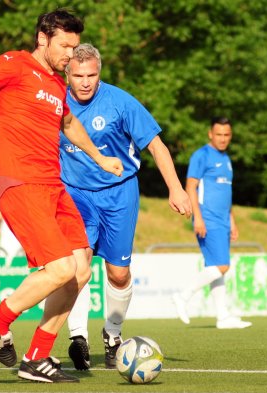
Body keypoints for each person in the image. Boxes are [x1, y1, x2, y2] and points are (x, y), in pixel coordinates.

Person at [0, 9, 123, 383]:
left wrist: (99, 157)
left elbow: (68, 123)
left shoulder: (57, 84)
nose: (70, 55)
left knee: (79, 271)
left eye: (75, 46)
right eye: (65, 46)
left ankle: (36, 358)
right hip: (20, 182)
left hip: (54, 186)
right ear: (43, 39)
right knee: (59, 268)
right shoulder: (13, 64)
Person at [59, 43, 192, 371]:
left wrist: (175, 189)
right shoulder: (55, 102)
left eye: (92, 75)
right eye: (79, 75)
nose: (86, 82)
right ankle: (78, 338)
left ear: (99, 72)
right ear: (67, 73)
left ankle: (113, 334)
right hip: (75, 193)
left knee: (118, 274)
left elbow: (157, 146)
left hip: (120, 194)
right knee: (79, 266)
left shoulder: (121, 102)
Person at [172, 117, 252, 329]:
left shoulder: (226, 159)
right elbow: (190, 187)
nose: (223, 139)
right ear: (210, 134)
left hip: (223, 220)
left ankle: (223, 316)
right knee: (222, 266)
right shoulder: (201, 155)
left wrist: (232, 221)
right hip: (208, 218)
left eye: (227, 135)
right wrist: (198, 217)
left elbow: (225, 193)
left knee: (214, 265)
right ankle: (183, 296)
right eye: (219, 134)